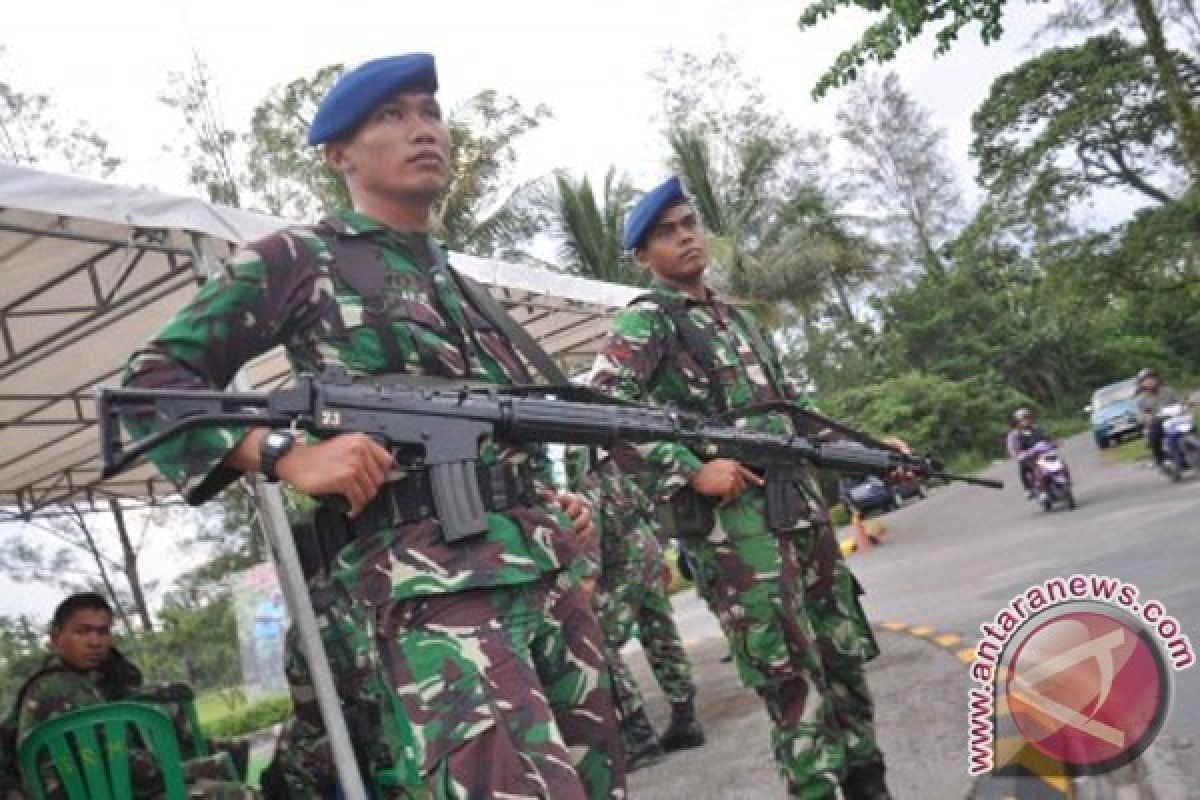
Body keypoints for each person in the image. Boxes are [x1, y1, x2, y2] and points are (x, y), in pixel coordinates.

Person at [121, 54, 622, 800]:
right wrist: (282, 453)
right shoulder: (303, 258)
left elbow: (495, 428)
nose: (423, 131)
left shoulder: (460, 283)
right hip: (434, 595)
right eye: (391, 116)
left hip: (546, 579)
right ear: (338, 154)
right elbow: (147, 390)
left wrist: (549, 504)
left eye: (429, 112)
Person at [589, 177, 890, 799]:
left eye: (688, 223)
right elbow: (602, 407)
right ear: (644, 257)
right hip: (737, 534)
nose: (685, 236)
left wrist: (878, 452)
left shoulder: (737, 320)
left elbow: (793, 408)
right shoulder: (648, 321)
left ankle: (870, 785)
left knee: (841, 658)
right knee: (792, 682)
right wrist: (690, 466)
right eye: (666, 232)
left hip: (799, 511)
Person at [14, 593, 253, 799]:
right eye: (83, 632)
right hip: (109, 791)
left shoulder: (83, 680)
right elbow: (125, 770)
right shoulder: (58, 687)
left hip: (118, 785)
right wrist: (188, 769)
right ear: (56, 638)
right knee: (237, 789)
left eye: (103, 632)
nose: (95, 642)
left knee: (227, 753)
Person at [566, 448, 704, 773]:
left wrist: (587, 573)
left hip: (620, 560)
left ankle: (638, 735)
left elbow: (591, 511)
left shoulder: (579, 452)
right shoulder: (615, 452)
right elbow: (646, 502)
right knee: (661, 633)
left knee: (601, 642)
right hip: (645, 549)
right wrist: (660, 549)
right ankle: (686, 718)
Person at [1135, 368, 1183, 468]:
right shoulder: (1141, 398)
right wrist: (1148, 417)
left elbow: (1180, 400)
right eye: (1146, 380)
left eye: (1151, 378)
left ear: (1157, 379)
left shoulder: (1168, 390)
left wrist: (1186, 403)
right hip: (1158, 423)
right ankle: (1160, 458)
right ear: (1142, 383)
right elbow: (1141, 414)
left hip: (1175, 419)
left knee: (1191, 426)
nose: (1150, 381)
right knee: (1153, 434)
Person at [1005, 409, 1047, 497]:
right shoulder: (1014, 434)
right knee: (1024, 468)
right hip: (1026, 457)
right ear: (1018, 422)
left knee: (1055, 461)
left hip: (1040, 453)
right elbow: (1012, 448)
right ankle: (1027, 488)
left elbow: (1045, 438)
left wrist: (1054, 442)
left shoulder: (1036, 428)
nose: (1026, 421)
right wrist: (1016, 454)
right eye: (1023, 419)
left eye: (1027, 418)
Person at [254, 593, 287, 692]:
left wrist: (284, 628)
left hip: (275, 638)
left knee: (279, 662)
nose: (277, 599)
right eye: (276, 597)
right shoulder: (264, 606)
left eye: (279, 597)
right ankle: (266, 687)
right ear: (271, 597)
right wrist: (273, 618)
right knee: (265, 662)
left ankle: (281, 685)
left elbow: (281, 623)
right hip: (263, 638)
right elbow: (258, 618)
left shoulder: (280, 609)